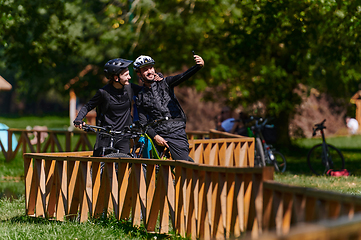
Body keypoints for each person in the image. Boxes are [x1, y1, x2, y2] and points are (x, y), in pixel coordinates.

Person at [134, 53, 204, 161]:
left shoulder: (165, 83)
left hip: (176, 130)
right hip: (158, 133)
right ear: (139, 73)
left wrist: (198, 66)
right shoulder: (140, 96)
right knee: (153, 167)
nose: (150, 71)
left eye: (151, 67)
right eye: (145, 69)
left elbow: (183, 76)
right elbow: (143, 122)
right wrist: (155, 136)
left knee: (183, 163)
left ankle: (197, 176)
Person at [73, 58, 144, 157]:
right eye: (126, 75)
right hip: (105, 135)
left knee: (124, 166)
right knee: (98, 165)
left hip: (123, 135)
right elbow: (88, 106)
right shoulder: (103, 93)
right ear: (116, 78)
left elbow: (147, 90)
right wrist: (79, 119)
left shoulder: (130, 88)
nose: (129, 77)